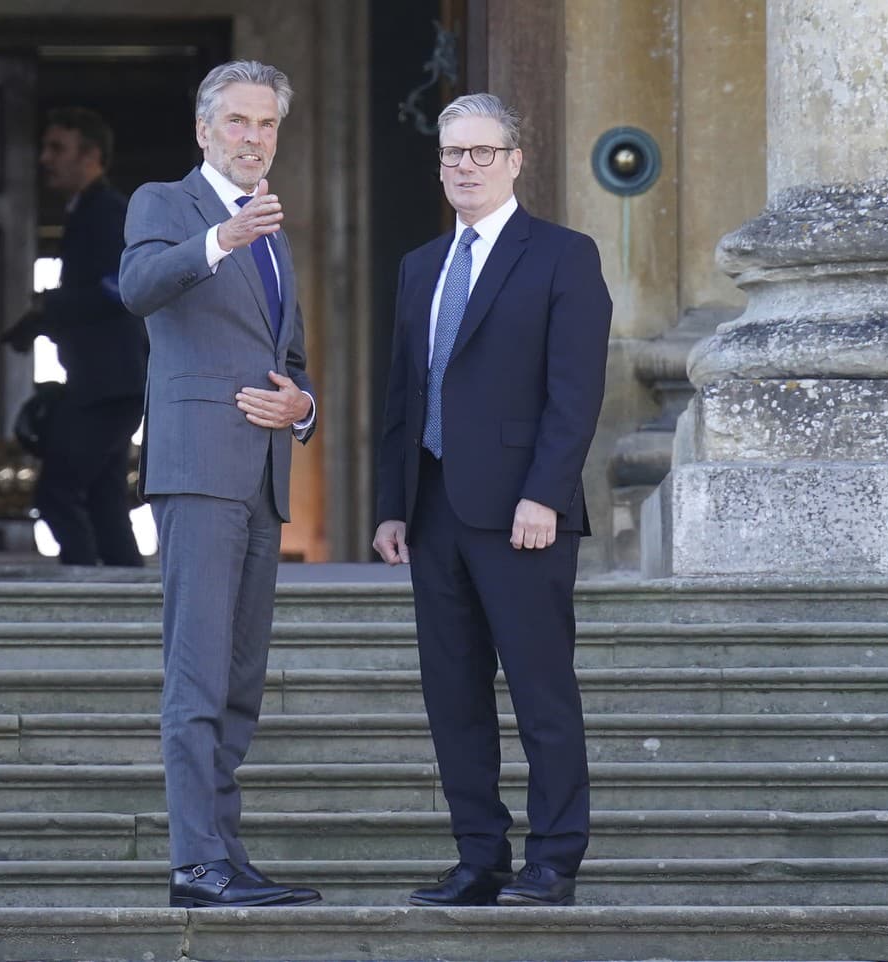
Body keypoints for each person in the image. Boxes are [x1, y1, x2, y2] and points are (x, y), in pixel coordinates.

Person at [373, 93, 611, 907]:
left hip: (523, 515)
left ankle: (554, 861)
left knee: (542, 693)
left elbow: (574, 394)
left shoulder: (563, 255)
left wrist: (544, 493)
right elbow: (403, 395)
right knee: (453, 696)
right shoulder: (419, 266)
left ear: (515, 161)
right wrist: (390, 504)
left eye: (480, 153)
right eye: (452, 156)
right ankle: (480, 856)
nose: (464, 168)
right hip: (433, 508)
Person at [117, 61, 320, 909]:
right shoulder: (166, 204)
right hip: (198, 470)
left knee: (239, 682)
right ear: (205, 131)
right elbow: (137, 288)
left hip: (264, 477)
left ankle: (225, 855)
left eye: (266, 125)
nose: (253, 138)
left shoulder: (272, 229)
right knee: (196, 678)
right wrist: (221, 240)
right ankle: (195, 865)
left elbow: (291, 360)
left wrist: (303, 409)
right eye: (237, 122)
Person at [2, 107, 147, 567]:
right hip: (106, 383)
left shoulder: (107, 212)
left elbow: (122, 285)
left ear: (91, 156)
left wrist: (49, 308)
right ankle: (128, 612)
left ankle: (81, 602)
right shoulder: (88, 210)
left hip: (107, 385)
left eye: (57, 148)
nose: (45, 159)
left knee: (58, 493)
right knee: (104, 502)